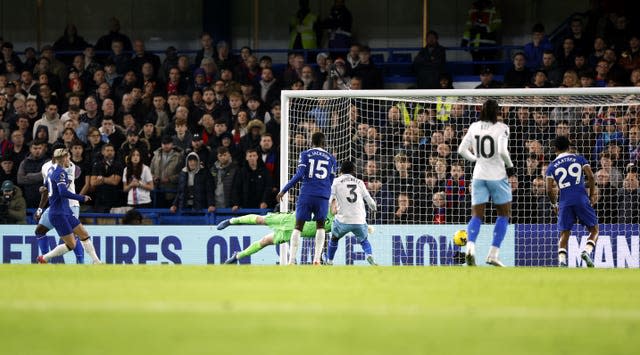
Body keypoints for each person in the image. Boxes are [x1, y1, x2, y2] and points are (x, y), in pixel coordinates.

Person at [457, 99, 515, 267]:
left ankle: (470, 248)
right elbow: (503, 151)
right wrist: (510, 166)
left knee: (476, 215)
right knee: (504, 214)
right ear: (497, 112)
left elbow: (461, 150)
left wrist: (476, 159)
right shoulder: (502, 128)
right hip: (497, 175)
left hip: (478, 175)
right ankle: (493, 254)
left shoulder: (474, 126)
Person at [276, 131, 337, 265]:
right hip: (322, 196)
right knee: (320, 226)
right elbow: (332, 180)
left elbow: (299, 175)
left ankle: (291, 260)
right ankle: (316, 259)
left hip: (307, 194)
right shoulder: (332, 159)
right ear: (324, 143)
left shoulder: (305, 154)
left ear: (311, 142)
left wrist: (284, 190)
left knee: (298, 226)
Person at [36, 148, 101, 264]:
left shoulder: (51, 171)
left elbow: (46, 185)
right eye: (68, 157)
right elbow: (63, 193)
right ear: (63, 158)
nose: (69, 160)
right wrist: (82, 197)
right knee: (71, 244)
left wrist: (46, 189)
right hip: (59, 213)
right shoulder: (61, 172)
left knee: (84, 235)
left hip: (66, 210)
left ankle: (97, 261)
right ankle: (45, 258)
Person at [545, 136, 598, 267]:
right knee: (594, 230)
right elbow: (591, 176)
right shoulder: (579, 158)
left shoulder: (551, 167)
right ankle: (586, 251)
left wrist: (554, 204)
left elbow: (548, 189)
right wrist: (591, 195)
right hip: (581, 198)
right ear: (569, 147)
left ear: (555, 149)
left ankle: (562, 261)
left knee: (565, 232)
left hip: (564, 202)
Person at [219, 210, 334, 265]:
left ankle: (237, 256)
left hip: (291, 233)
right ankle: (231, 221)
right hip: (289, 219)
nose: (337, 208)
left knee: (265, 241)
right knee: (260, 220)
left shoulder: (335, 224)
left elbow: (325, 238)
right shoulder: (326, 207)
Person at [34, 153, 85, 263]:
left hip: (71, 205)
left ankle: (81, 262)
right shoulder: (46, 167)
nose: (68, 158)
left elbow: (64, 189)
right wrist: (40, 208)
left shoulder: (70, 166)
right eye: (65, 156)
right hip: (55, 206)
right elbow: (47, 189)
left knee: (73, 238)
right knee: (40, 230)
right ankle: (44, 259)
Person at [325, 160, 377, 265]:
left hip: (342, 221)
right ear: (353, 171)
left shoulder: (335, 182)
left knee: (334, 238)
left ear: (341, 171)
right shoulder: (360, 182)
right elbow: (370, 201)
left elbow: (329, 200)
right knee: (364, 240)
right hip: (359, 220)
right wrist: (374, 208)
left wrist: (324, 211)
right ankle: (369, 255)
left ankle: (330, 261)